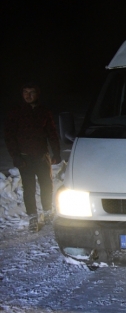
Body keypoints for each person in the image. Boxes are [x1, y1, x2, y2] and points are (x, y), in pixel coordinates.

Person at [4, 82, 61, 232]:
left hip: (42, 156)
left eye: (32, 92)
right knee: (28, 188)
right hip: (24, 158)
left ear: (37, 94)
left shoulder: (43, 111)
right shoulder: (16, 112)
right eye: (25, 92)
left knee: (46, 185)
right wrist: (16, 156)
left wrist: (56, 152)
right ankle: (33, 217)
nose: (28, 95)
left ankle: (48, 212)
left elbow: (52, 132)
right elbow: (9, 136)